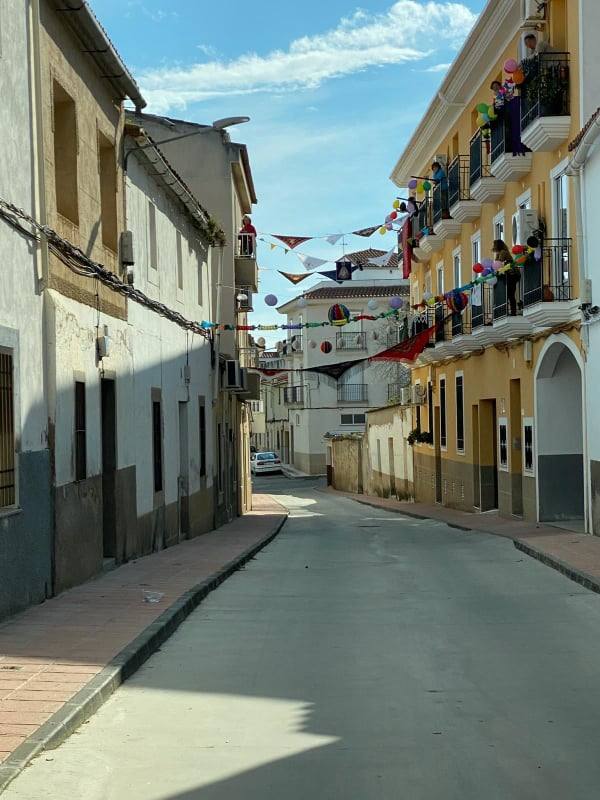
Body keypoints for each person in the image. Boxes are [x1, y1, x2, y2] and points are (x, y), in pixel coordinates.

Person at [493, 238, 521, 316]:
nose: (493, 247)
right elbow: (497, 264)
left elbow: (499, 263)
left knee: (510, 294)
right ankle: (512, 311)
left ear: (497, 246)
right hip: (510, 275)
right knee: (510, 294)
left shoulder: (503, 252)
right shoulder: (500, 253)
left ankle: (513, 312)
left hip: (511, 275)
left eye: (494, 245)